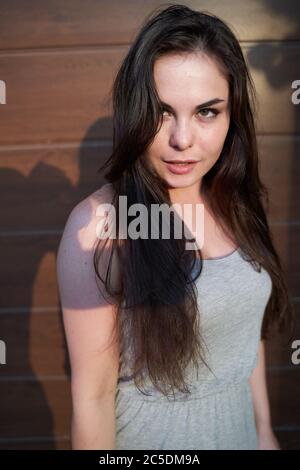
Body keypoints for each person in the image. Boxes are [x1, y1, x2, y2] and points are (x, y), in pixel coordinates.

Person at [56, 4, 295, 450]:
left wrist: (264, 432)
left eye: (207, 112)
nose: (183, 139)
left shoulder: (236, 201)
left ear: (232, 116)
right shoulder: (102, 227)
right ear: (134, 112)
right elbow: (92, 397)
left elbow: (245, 336)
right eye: (162, 112)